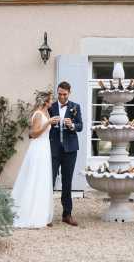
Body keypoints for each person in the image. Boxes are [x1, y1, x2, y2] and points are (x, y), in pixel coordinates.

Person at [11, 90, 59, 228]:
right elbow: (33, 134)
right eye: (50, 100)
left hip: (44, 148)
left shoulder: (46, 113)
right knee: (34, 178)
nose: (52, 102)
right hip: (37, 149)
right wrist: (47, 123)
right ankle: (29, 213)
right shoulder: (38, 114)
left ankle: (41, 213)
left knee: (42, 180)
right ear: (45, 101)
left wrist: (51, 121)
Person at [48, 81, 83, 226]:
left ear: (69, 93)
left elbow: (80, 126)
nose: (61, 97)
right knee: (49, 181)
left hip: (70, 150)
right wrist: (50, 123)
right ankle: (46, 215)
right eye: (60, 94)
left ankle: (67, 214)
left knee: (67, 182)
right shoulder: (51, 106)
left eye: (64, 94)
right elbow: (44, 124)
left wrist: (72, 125)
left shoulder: (75, 107)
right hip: (54, 148)